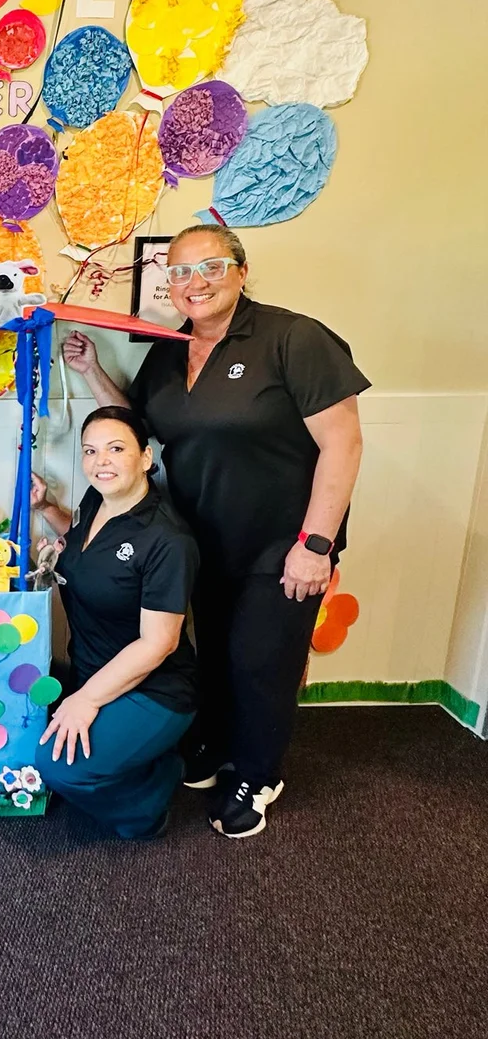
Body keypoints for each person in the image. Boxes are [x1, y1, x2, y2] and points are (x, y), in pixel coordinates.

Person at [61, 224, 368, 838]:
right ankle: (222, 745)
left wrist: (315, 545)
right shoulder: (170, 350)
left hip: (280, 543)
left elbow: (344, 443)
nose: (194, 282)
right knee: (218, 654)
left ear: (241, 272)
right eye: (179, 271)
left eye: (211, 267)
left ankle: (257, 775)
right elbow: (139, 425)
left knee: (262, 663)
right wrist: (93, 371)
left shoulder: (293, 338)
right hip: (201, 541)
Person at [30, 408, 198, 840]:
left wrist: (86, 700)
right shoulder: (96, 500)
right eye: (90, 451)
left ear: (145, 457)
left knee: (56, 767)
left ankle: (148, 807)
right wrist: (45, 507)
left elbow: (159, 644)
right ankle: (147, 758)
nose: (100, 461)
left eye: (116, 449)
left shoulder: (167, 540)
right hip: (91, 668)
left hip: (153, 688)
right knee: (20, 724)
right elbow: (87, 545)